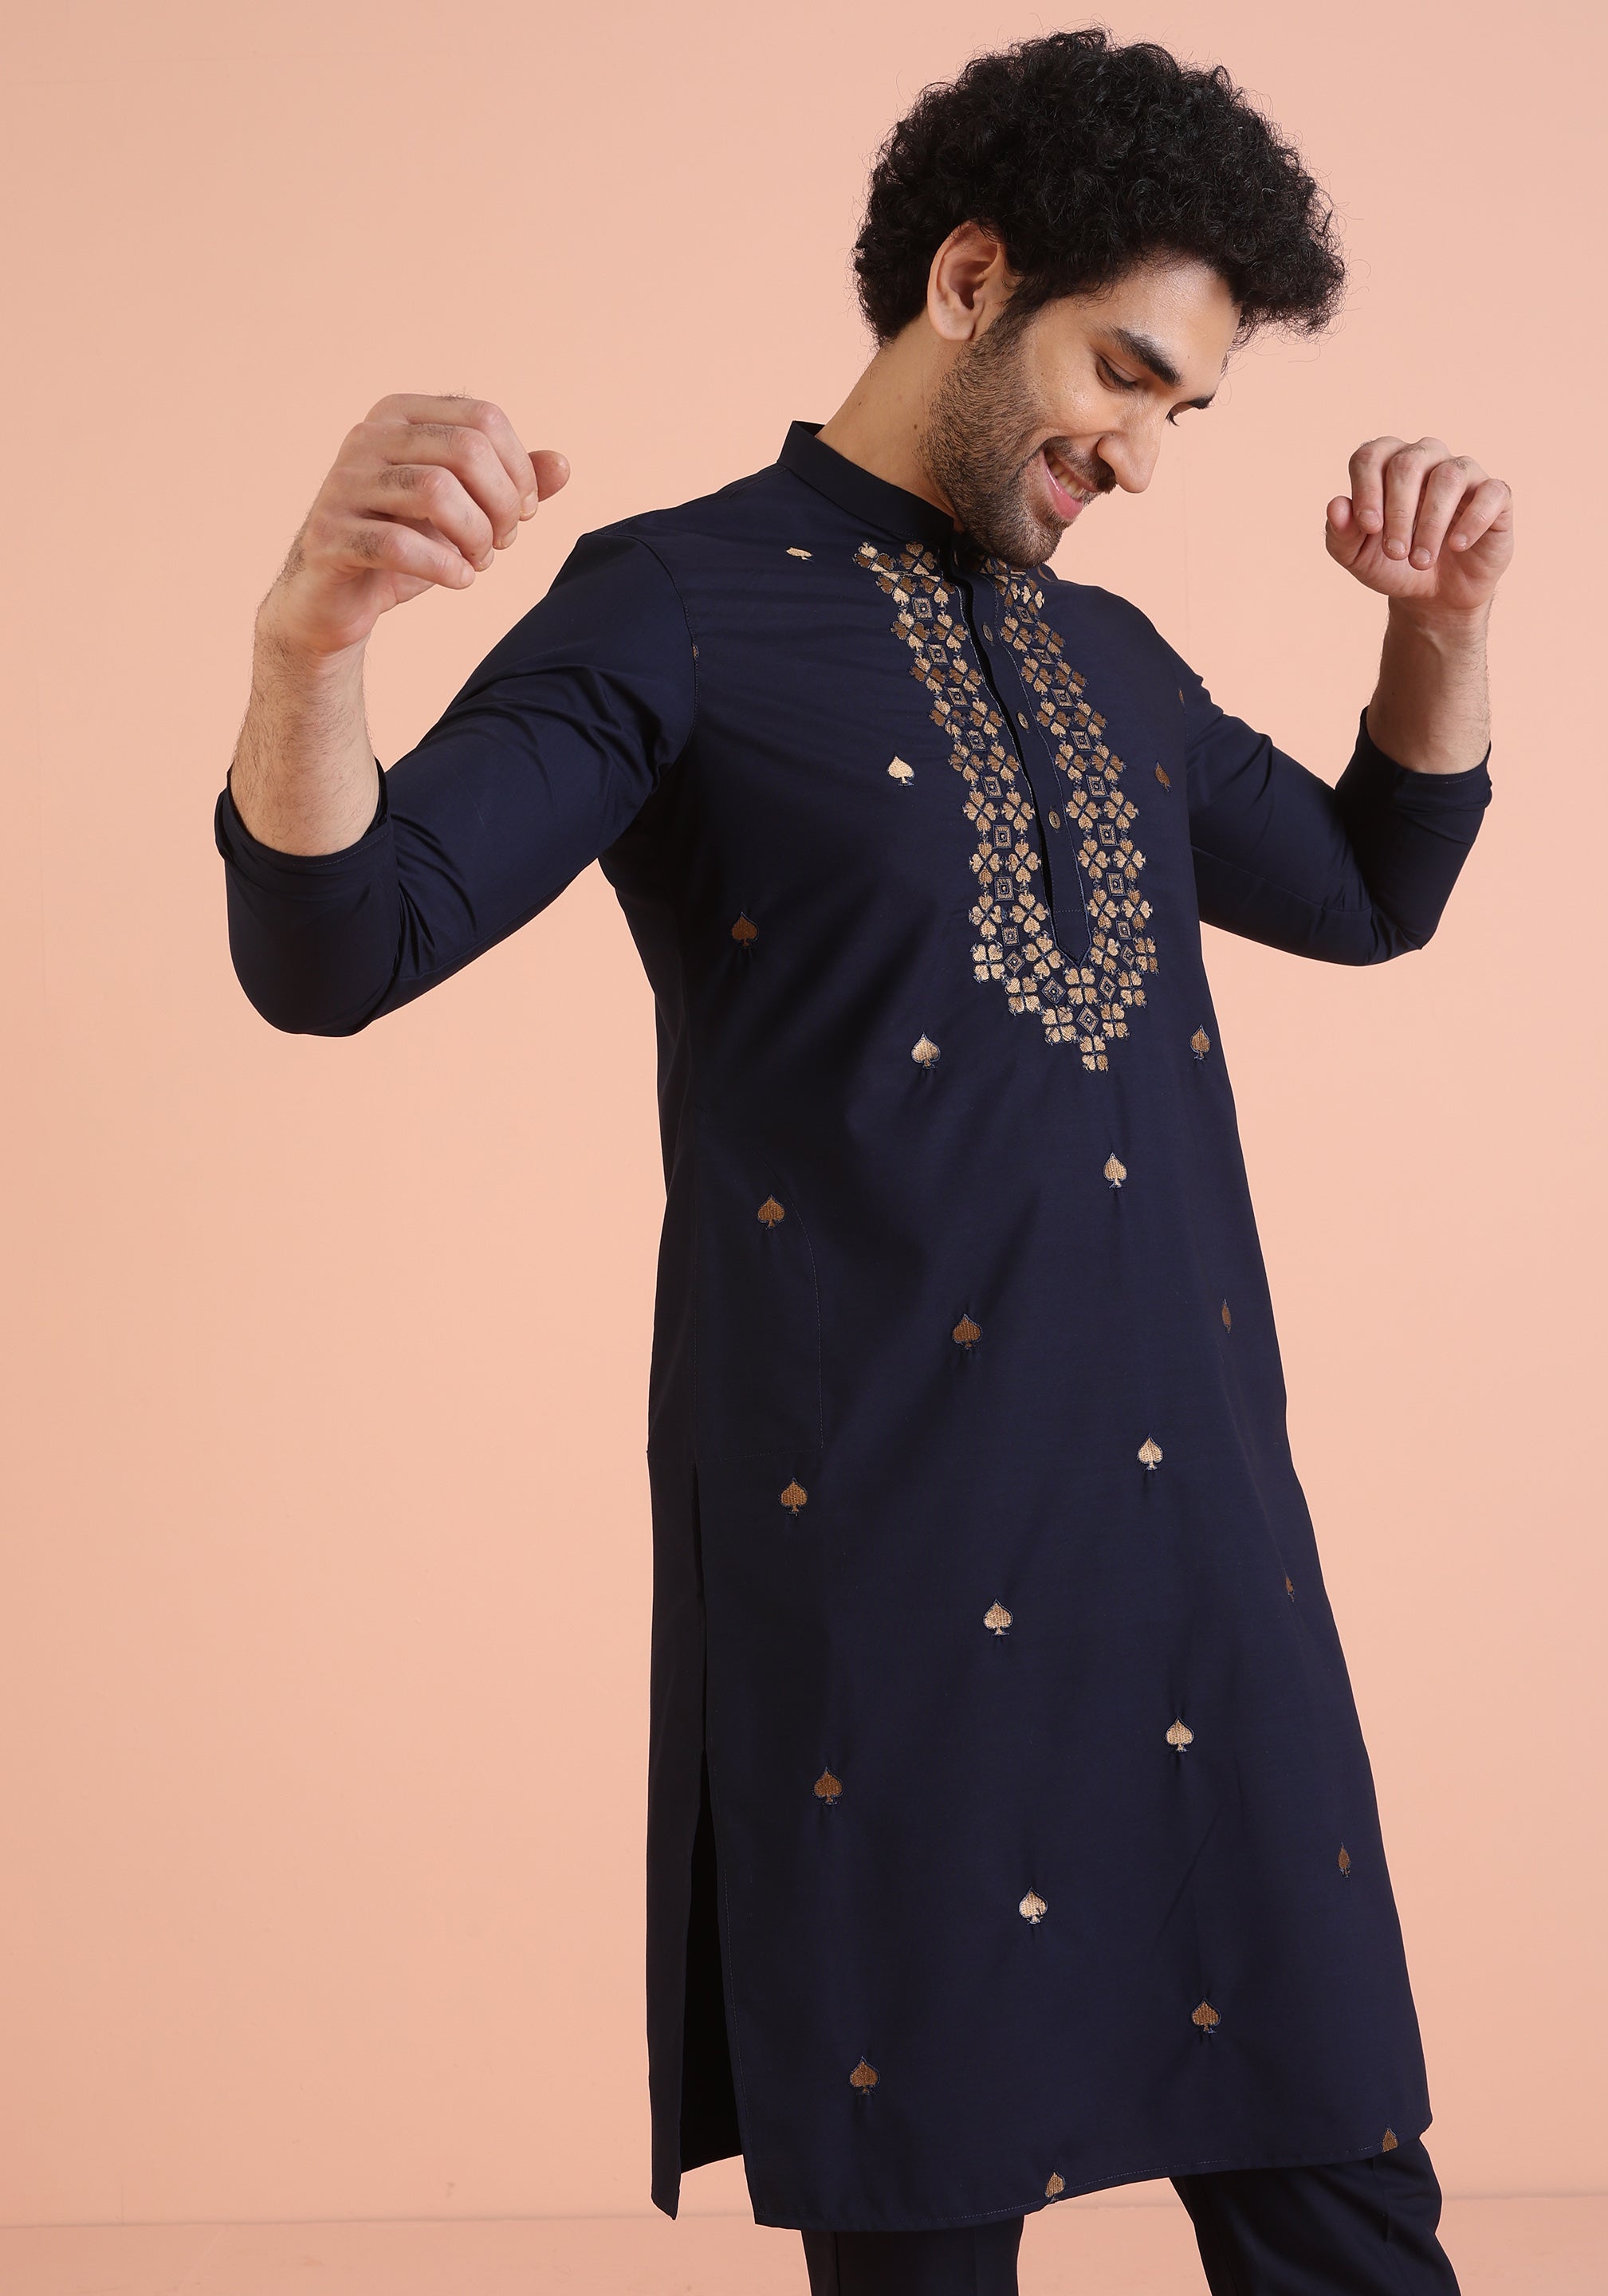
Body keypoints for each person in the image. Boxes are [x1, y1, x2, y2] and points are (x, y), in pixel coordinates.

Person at [214, 29, 1511, 2294]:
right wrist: (306, 647)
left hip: (1202, 1557)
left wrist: (1443, 635)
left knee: (1348, 2206)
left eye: (1189, 411)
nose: (1145, 453)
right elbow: (339, 948)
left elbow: (1368, 888)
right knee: (930, 2230)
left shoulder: (1115, 663)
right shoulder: (674, 603)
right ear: (971, 277)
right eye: (1125, 374)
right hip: (891, 1574)